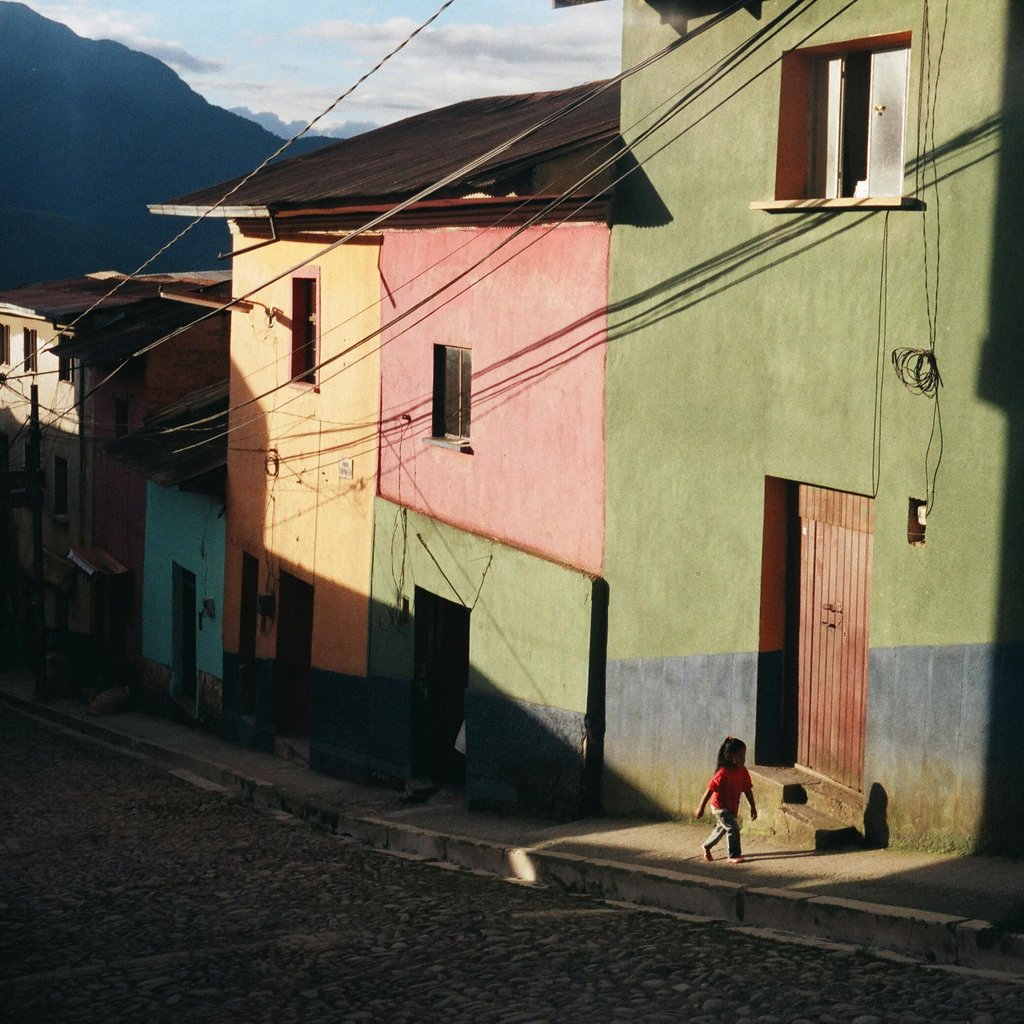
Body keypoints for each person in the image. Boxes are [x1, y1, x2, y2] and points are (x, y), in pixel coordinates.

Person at [695, 735, 757, 864]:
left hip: (731, 806)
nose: (743, 759)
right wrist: (701, 808)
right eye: (739, 756)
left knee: (722, 828)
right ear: (729, 757)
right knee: (733, 827)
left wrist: (753, 807)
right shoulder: (722, 773)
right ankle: (733, 854)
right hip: (719, 807)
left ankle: (706, 846)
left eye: (744, 756)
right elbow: (709, 790)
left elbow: (747, 790)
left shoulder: (743, 771)